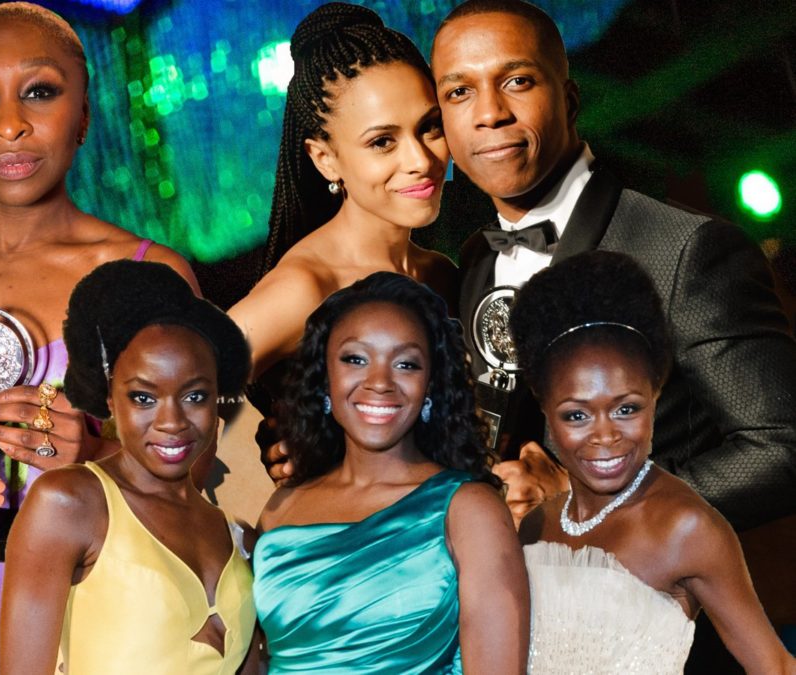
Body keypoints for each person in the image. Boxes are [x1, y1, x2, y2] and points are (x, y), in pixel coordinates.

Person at [0, 4, 197, 672]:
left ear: (85, 115)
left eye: (39, 90)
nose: (10, 124)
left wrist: (95, 448)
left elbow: (193, 479)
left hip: (91, 630)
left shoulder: (150, 274)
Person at [430, 0, 796, 534]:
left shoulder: (683, 250)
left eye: (517, 81)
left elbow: (783, 446)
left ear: (569, 98)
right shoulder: (474, 261)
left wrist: (598, 502)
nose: (489, 112)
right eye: (459, 92)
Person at [510, 250, 794, 674]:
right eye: (577, 415)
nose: (606, 436)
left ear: (655, 396)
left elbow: (776, 667)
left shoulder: (685, 527)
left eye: (626, 409)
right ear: (545, 409)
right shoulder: (535, 525)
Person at [253, 272, 528, 674]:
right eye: (355, 359)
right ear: (324, 378)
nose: (380, 382)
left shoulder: (468, 510)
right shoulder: (281, 507)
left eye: (405, 364)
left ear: (431, 385)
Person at [0, 260, 256, 675]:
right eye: (143, 398)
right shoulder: (69, 503)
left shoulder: (231, 532)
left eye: (194, 397)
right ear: (109, 398)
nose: (172, 422)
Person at [228, 1, 457, 381]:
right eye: (383, 141)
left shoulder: (440, 274)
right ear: (324, 159)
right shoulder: (307, 290)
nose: (421, 159)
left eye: (430, 127)